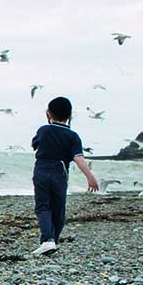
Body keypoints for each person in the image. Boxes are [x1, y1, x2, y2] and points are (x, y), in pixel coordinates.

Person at [31, 97, 99, 255]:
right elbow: (78, 157)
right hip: (60, 171)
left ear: (48, 114)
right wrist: (90, 176)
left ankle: (48, 240)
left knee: (43, 206)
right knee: (58, 208)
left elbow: (35, 144)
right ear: (70, 116)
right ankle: (53, 239)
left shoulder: (44, 130)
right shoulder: (73, 136)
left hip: (41, 169)